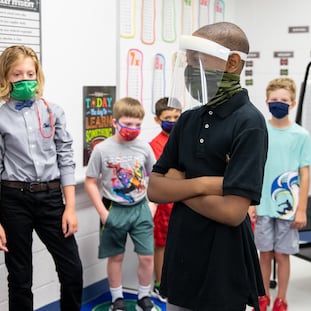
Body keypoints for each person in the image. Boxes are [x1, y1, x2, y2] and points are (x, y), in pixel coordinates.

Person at [147, 21, 268, 311]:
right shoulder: (188, 119)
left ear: (233, 62)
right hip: (181, 258)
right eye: (187, 61)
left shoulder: (249, 123)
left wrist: (179, 186)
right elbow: (155, 188)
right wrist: (209, 183)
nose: (190, 70)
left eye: (197, 61)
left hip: (222, 266)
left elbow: (232, 212)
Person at [0, 45, 83, 310]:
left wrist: (70, 207)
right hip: (13, 200)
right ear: (5, 78)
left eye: (30, 73)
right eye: (17, 74)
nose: (25, 80)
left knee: (72, 270)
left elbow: (65, 157)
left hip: (51, 198)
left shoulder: (53, 111)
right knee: (20, 277)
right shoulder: (1, 117)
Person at [85, 97, 157, 311]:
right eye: (128, 124)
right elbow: (90, 181)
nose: (133, 129)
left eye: (137, 125)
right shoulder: (101, 149)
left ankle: (144, 297)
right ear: (115, 122)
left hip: (141, 208)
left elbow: (154, 178)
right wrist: (102, 212)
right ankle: (117, 300)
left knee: (146, 256)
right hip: (113, 208)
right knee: (116, 256)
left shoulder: (144, 147)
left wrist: (152, 206)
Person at [252, 78, 311, 311]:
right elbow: (253, 166)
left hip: (288, 207)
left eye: (283, 100)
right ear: (266, 102)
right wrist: (251, 203)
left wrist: (301, 208)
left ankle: (281, 298)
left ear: (292, 103)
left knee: (282, 255)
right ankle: (262, 297)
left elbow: (305, 173)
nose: (278, 103)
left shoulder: (301, 135)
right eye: (274, 100)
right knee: (265, 254)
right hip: (262, 205)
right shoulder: (259, 131)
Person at [149, 97, 181, 302]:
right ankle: (160, 284)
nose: (173, 120)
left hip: (183, 200)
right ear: (157, 119)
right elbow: (165, 174)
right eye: (168, 117)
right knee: (161, 244)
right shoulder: (155, 144)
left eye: (177, 117)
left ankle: (178, 281)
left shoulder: (185, 138)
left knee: (181, 243)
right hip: (163, 205)